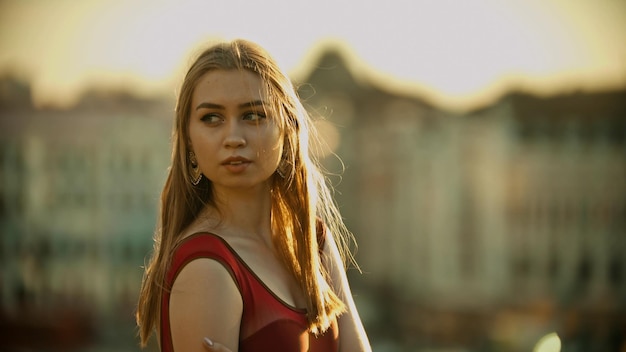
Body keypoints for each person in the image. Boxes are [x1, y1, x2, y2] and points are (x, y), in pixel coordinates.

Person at [135, 39, 371, 352]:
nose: (233, 138)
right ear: (189, 141)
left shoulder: (313, 241)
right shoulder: (206, 268)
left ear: (286, 129)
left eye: (253, 115)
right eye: (211, 118)